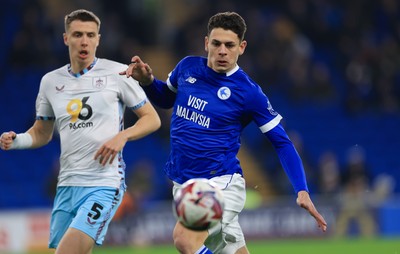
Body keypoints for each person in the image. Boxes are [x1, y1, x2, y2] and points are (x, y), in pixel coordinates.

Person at [122, 11, 327, 254]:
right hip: (183, 182)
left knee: (184, 239)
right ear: (206, 42)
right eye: (216, 43)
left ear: (241, 47)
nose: (222, 51)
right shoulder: (187, 67)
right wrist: (147, 81)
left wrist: (301, 189)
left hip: (220, 183)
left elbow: (282, 143)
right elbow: (166, 98)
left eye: (229, 45)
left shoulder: (248, 92)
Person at [0, 9, 160, 254]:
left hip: (104, 185)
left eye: (90, 35)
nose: (84, 41)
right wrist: (18, 140)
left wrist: (122, 136)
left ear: (98, 39)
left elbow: (152, 119)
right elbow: (42, 132)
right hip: (67, 186)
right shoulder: (50, 82)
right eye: (77, 34)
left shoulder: (118, 73)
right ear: (66, 38)